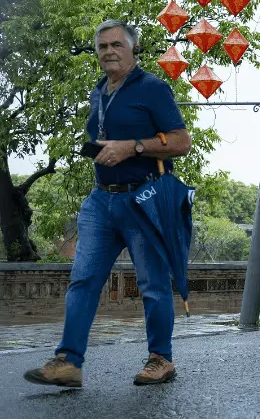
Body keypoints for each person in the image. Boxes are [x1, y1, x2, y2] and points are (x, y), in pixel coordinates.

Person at [23, 20, 192, 388]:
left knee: (152, 284)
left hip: (143, 198)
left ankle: (161, 359)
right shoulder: (99, 92)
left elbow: (181, 141)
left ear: (132, 50)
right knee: (82, 279)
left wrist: (133, 147)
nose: (108, 51)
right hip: (102, 200)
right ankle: (69, 361)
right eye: (102, 47)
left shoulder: (153, 88)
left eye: (116, 44)